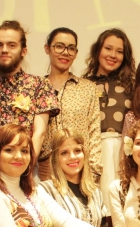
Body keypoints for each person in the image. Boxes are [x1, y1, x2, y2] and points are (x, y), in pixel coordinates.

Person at [0, 20, 59, 157]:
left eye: (11, 45)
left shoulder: (40, 85)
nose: (4, 50)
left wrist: (27, 164)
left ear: (23, 51)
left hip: (26, 164)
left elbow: (40, 133)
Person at [82, 29, 136, 207]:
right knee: (95, 205)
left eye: (119, 51)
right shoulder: (83, 84)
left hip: (123, 154)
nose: (113, 55)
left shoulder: (133, 86)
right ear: (98, 50)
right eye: (108, 48)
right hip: (92, 153)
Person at [40, 27, 101, 181]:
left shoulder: (87, 88)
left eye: (71, 48)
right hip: (44, 171)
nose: (65, 52)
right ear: (47, 49)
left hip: (80, 170)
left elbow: (94, 132)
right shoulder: (37, 87)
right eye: (59, 46)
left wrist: (94, 173)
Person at [40, 129, 106, 227]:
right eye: (64, 153)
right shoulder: (46, 190)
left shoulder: (96, 192)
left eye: (77, 150)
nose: (73, 157)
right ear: (55, 158)